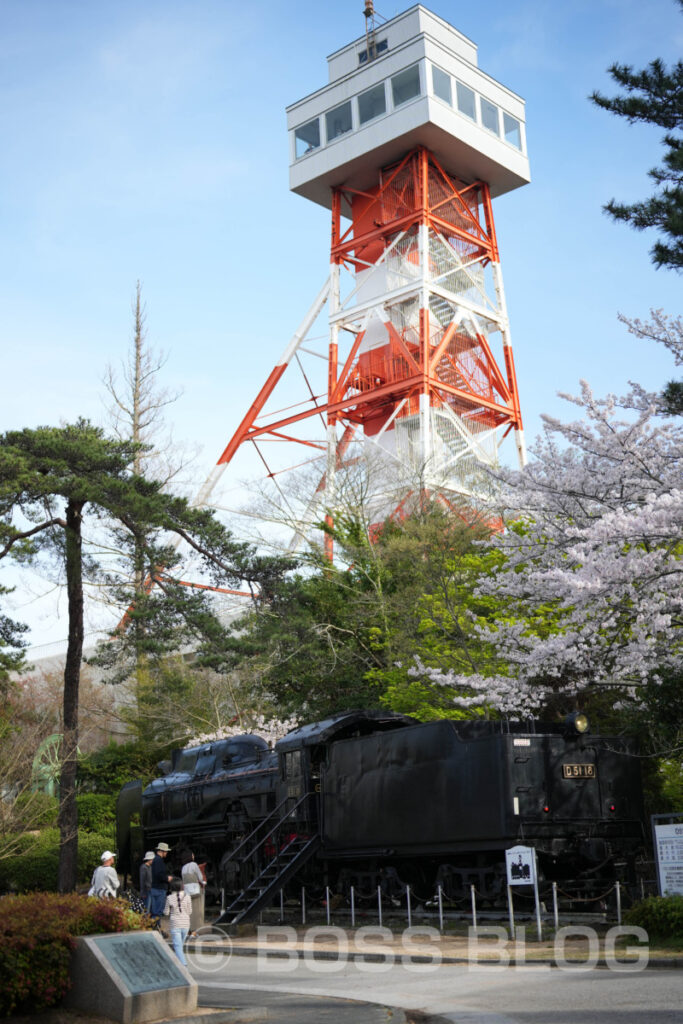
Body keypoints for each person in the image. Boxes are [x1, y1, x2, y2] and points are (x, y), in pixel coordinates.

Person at [163, 879, 192, 967]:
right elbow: (190, 911)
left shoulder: (169, 898)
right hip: (186, 924)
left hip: (175, 924)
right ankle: (177, 964)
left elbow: (166, 912)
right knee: (179, 946)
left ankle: (183, 964)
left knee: (177, 946)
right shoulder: (187, 897)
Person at [180, 851, 206, 935]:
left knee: (189, 911)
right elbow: (200, 877)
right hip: (196, 891)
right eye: (192, 855)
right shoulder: (194, 865)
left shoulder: (183, 867)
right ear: (190, 857)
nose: (193, 856)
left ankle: (188, 930)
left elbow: (183, 880)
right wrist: (203, 881)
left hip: (187, 892)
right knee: (197, 910)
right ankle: (195, 930)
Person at [149, 842, 173, 923]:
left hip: (154, 887)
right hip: (159, 889)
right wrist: (167, 878)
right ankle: (156, 928)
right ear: (162, 851)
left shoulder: (154, 860)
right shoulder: (159, 861)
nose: (166, 853)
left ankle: (154, 928)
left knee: (154, 911)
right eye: (166, 851)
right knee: (158, 912)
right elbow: (159, 874)